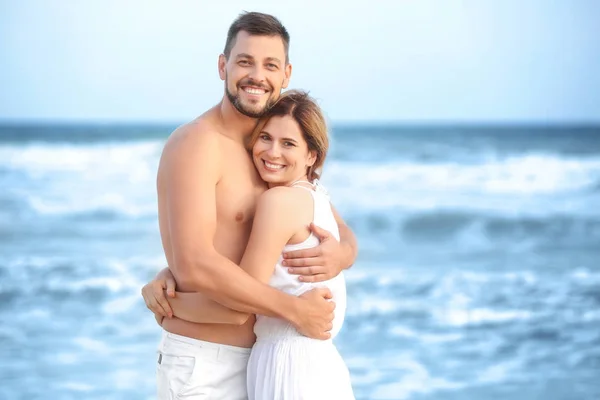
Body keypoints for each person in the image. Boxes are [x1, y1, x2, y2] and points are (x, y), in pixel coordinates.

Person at [141, 12, 357, 400]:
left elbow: (332, 220)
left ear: (286, 74)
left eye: (270, 65)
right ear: (223, 66)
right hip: (206, 364)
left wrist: (342, 254)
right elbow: (195, 262)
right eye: (245, 61)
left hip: (267, 364)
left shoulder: (269, 153)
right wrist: (293, 309)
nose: (257, 75)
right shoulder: (198, 144)